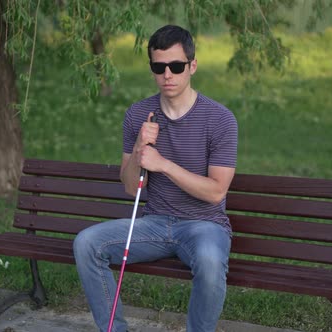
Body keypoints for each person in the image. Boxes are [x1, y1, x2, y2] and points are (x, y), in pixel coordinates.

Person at [73, 24, 238, 332]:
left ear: (192, 66)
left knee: (210, 262)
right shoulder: (139, 115)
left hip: (205, 226)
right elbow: (129, 184)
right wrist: (138, 148)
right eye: (159, 66)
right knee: (86, 243)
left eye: (176, 66)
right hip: (154, 223)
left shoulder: (220, 119)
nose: (168, 75)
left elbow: (216, 193)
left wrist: (163, 164)